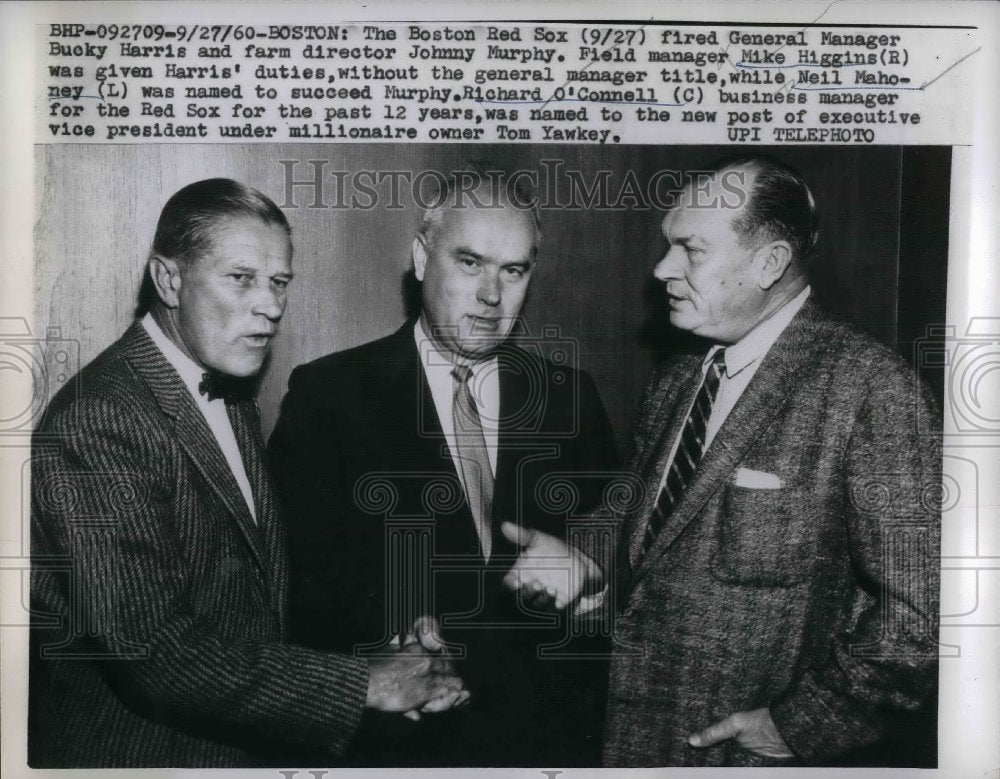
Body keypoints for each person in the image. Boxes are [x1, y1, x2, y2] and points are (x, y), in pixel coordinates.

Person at [507, 155, 941, 767]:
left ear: (769, 262)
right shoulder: (679, 378)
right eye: (667, 246)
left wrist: (802, 726)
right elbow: (636, 517)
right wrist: (583, 559)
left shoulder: (872, 391)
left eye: (691, 249)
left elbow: (920, 614)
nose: (662, 269)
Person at [29, 179, 467, 768]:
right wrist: (364, 683)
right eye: (241, 278)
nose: (272, 305)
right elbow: (157, 653)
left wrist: (384, 652)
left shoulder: (231, 394)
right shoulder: (97, 420)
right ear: (169, 280)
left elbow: (254, 597)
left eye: (279, 281)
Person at [268, 165, 619, 766]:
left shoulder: (571, 397)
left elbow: (618, 554)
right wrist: (388, 641)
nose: (492, 295)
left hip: (542, 738)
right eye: (470, 262)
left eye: (514, 270)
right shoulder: (330, 394)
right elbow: (291, 581)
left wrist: (591, 583)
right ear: (422, 258)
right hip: (401, 743)